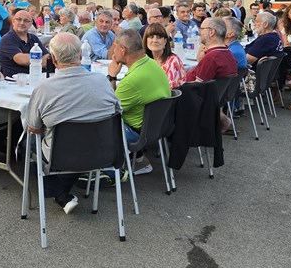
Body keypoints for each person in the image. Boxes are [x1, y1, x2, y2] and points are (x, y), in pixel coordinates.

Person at [27, 33, 121, 214]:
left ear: (53, 59)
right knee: (75, 140)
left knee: (26, 143)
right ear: (80, 55)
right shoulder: (102, 81)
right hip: (103, 152)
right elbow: (117, 111)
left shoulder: (44, 88)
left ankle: (55, 190)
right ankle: (62, 193)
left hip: (61, 156)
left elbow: (34, 128)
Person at [107, 29, 171, 175]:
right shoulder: (152, 64)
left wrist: (112, 76)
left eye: (114, 46)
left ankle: (108, 172)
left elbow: (109, 110)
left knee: (94, 123)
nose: (113, 51)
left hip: (136, 132)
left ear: (123, 50)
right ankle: (138, 160)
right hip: (156, 128)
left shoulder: (132, 81)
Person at [186, 17, 238, 129]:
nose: (199, 32)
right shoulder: (228, 54)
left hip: (195, 101)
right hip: (215, 100)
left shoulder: (212, 58)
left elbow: (197, 87)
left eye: (202, 29)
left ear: (211, 32)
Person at [0, 10, 50, 78]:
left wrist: (37, 60)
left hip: (36, 79)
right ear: (13, 21)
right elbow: (22, 60)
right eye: (19, 19)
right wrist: (42, 61)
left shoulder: (33, 38)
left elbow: (47, 57)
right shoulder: (7, 39)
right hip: (15, 83)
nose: (22, 23)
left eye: (26, 20)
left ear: (31, 23)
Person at [143, 23, 186, 89]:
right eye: (151, 37)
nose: (154, 40)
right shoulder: (144, 61)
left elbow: (170, 91)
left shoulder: (173, 62)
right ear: (146, 41)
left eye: (159, 37)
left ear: (165, 41)